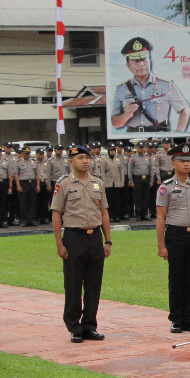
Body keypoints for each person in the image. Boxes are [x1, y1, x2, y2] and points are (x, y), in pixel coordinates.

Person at [52, 145, 112, 342]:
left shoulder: (98, 183)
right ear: (71, 161)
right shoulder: (64, 184)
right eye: (80, 158)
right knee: (74, 284)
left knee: (94, 285)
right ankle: (74, 327)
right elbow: (56, 214)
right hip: (74, 237)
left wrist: (108, 240)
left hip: (94, 237)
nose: (85, 161)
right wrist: (60, 244)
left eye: (87, 158)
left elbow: (104, 212)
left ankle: (89, 325)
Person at [156, 142, 190, 334]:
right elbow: (160, 217)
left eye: (188, 161)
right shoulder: (166, 187)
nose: (186, 164)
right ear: (173, 164)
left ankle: (189, 318)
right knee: (177, 278)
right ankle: (176, 318)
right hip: (176, 235)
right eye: (181, 161)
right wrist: (161, 245)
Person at [111, 37, 190, 132]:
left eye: (144, 59)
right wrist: (127, 114)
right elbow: (115, 123)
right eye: (136, 61)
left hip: (160, 135)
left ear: (150, 60)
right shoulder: (121, 89)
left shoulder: (165, 85)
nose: (141, 64)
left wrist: (178, 134)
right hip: (133, 136)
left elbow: (184, 109)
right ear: (128, 65)